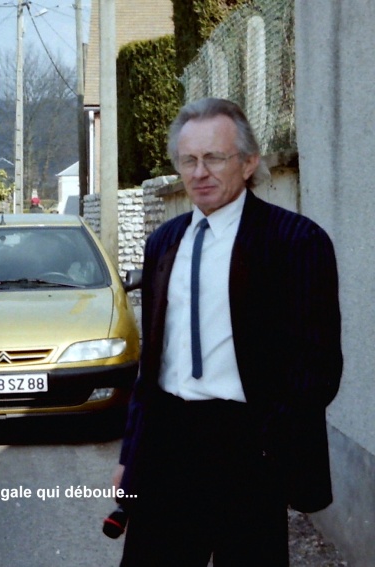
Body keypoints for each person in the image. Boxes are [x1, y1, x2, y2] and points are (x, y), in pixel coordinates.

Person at [113, 98, 342, 566]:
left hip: (248, 447)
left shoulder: (296, 241)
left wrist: (268, 445)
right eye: (188, 160)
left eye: (214, 158)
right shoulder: (164, 242)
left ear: (249, 162)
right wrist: (130, 457)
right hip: (168, 444)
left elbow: (317, 366)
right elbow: (152, 365)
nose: (199, 173)